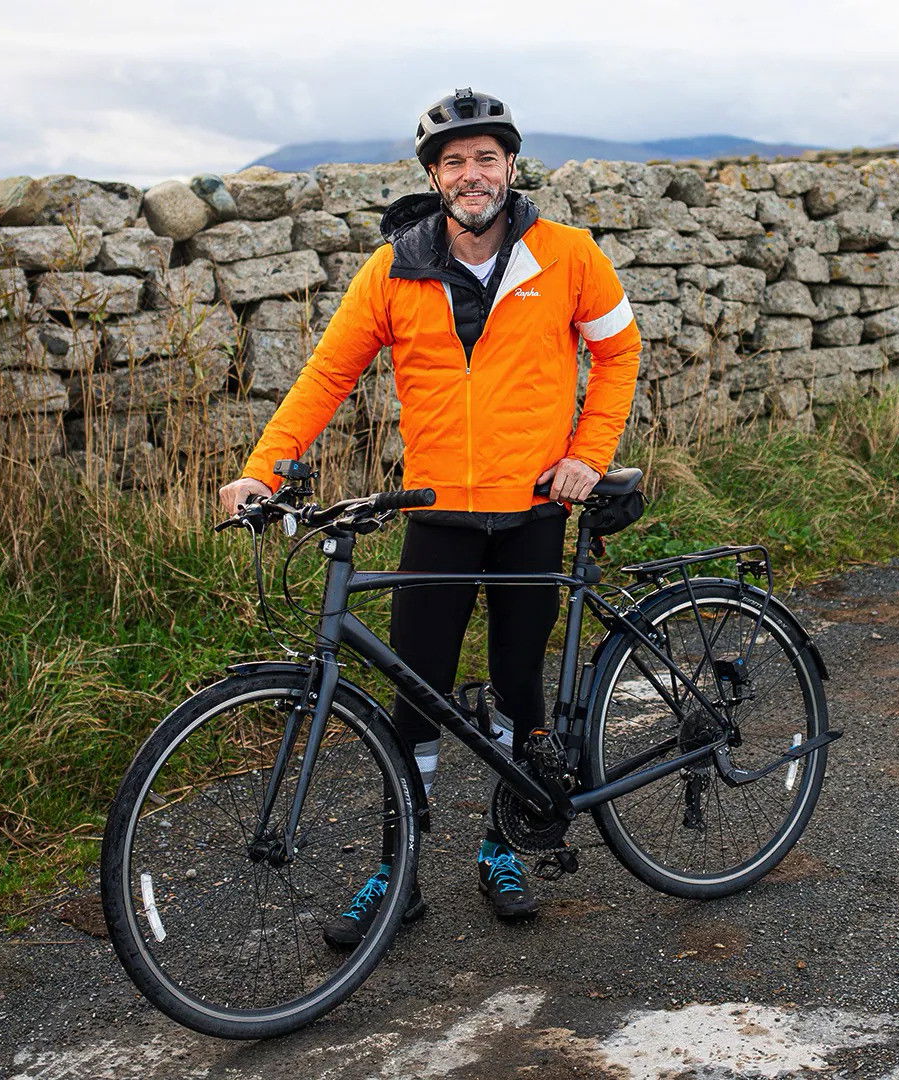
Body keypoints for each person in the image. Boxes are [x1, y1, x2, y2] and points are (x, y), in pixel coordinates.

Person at [217, 88, 642, 948]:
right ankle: (397, 865)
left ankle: (503, 847)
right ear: (434, 177)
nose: (471, 173)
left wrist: (587, 456)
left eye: (487, 157)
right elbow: (327, 376)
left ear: (512, 168)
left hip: (533, 509)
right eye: (454, 161)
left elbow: (618, 348)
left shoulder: (568, 255)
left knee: (521, 685)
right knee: (416, 697)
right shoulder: (394, 268)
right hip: (438, 511)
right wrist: (263, 470)